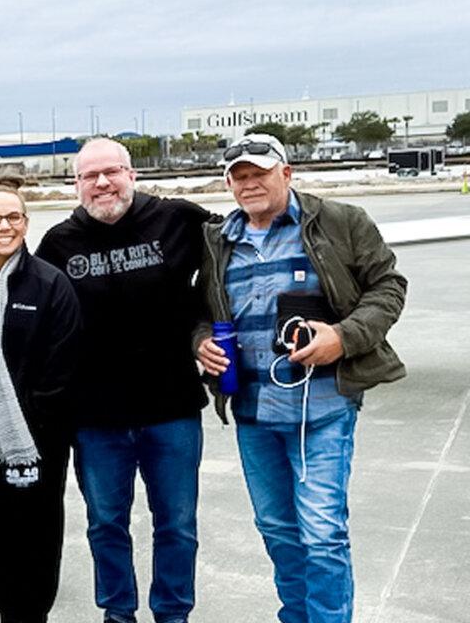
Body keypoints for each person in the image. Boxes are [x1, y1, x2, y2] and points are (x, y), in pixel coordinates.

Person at [194, 134, 407, 623]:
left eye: (259, 173)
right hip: (252, 412)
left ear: (286, 173)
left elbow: (389, 286)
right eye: (239, 176)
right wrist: (200, 341)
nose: (249, 184)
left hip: (323, 408)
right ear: (229, 184)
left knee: (322, 532)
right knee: (277, 529)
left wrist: (344, 336)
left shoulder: (339, 222)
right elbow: (202, 311)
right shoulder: (218, 240)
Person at [35, 137, 213, 623]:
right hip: (96, 419)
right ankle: (118, 613)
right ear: (76, 186)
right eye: (89, 176)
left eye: (111, 172)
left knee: (177, 525)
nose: (102, 183)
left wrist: (205, 331)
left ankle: (173, 613)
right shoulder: (57, 243)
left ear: (131, 174)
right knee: (106, 525)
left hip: (171, 408)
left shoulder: (178, 220)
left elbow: (236, 253)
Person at [0, 186, 82, 623]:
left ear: (26, 223)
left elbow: (62, 369)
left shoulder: (49, 283)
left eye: (13, 218)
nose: (4, 227)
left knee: (35, 545)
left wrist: (29, 426)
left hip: (32, 441)